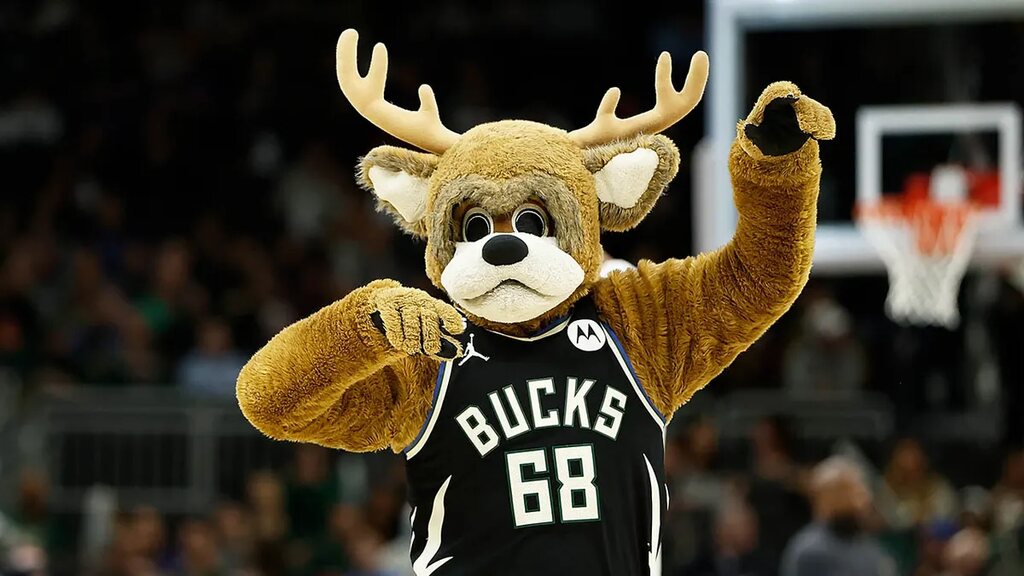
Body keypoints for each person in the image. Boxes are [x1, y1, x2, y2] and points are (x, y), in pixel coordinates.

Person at [781, 456, 893, 576]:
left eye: (860, 492)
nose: (861, 501)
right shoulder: (811, 551)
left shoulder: (868, 546)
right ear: (825, 499)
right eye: (850, 493)